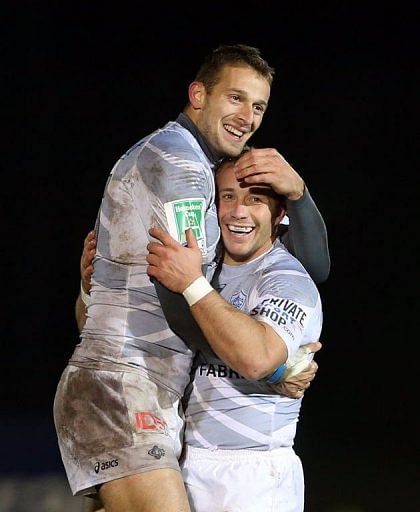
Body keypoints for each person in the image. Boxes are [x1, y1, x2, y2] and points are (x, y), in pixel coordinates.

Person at [54, 43, 329, 512]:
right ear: (198, 95)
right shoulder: (181, 166)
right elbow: (181, 300)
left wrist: (300, 193)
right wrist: (270, 366)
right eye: (235, 98)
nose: (248, 117)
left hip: (143, 389)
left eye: (259, 106)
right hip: (123, 386)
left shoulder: (193, 165)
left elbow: (311, 270)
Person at [146, 156, 323, 511]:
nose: (238, 212)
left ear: (278, 215)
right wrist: (90, 291)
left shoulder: (288, 280)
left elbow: (256, 359)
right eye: (227, 197)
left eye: (255, 199)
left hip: (253, 473)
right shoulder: (198, 266)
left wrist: (193, 286)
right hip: (185, 462)